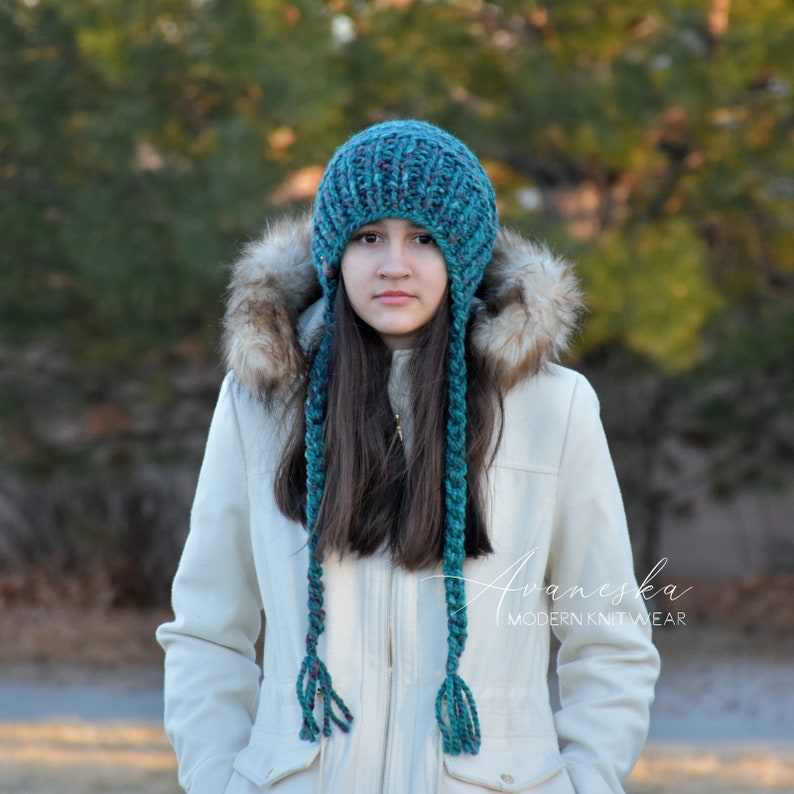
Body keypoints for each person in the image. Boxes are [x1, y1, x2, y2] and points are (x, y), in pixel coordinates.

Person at [157, 120, 660, 794]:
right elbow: (207, 632)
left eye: (423, 238)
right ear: (335, 252)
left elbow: (608, 641)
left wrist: (585, 783)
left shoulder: (554, 408)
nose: (394, 264)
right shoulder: (260, 403)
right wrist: (221, 781)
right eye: (369, 237)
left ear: (465, 251)